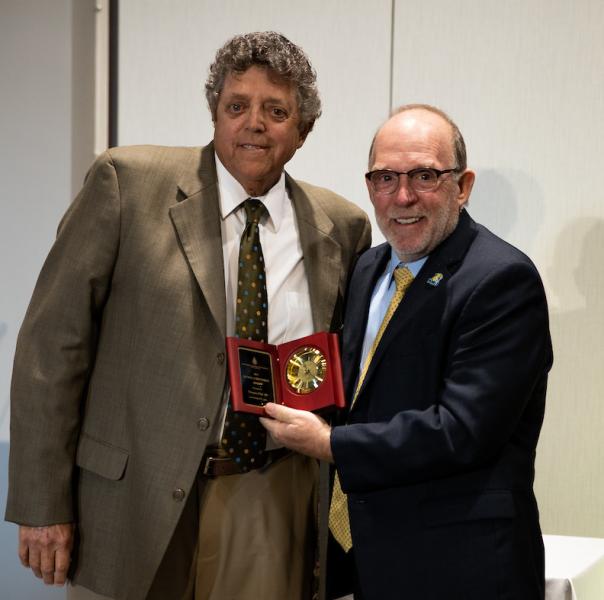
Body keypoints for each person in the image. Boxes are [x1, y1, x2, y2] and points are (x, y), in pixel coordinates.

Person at [5, 31, 371, 600]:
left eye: (276, 111)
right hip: (132, 496)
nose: (255, 123)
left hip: (269, 494)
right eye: (237, 106)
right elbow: (52, 349)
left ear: (302, 130)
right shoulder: (126, 183)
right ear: (215, 114)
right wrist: (42, 502)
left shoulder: (341, 227)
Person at [262, 104, 553, 599]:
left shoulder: (502, 280)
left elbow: (462, 432)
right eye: (385, 178)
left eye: (424, 176)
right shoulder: (368, 269)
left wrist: (331, 444)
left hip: (460, 568)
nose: (402, 197)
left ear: (463, 186)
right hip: (367, 559)